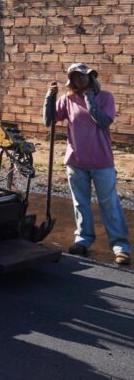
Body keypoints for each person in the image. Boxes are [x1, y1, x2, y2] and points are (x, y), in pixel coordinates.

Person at [45, 63, 130, 266]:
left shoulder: (105, 97)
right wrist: (49, 97)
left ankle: (121, 247)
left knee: (109, 204)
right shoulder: (67, 99)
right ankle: (83, 240)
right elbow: (49, 121)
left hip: (102, 162)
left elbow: (103, 121)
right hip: (76, 161)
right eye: (76, 77)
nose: (80, 79)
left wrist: (89, 99)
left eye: (84, 76)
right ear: (71, 80)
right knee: (80, 204)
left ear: (91, 77)